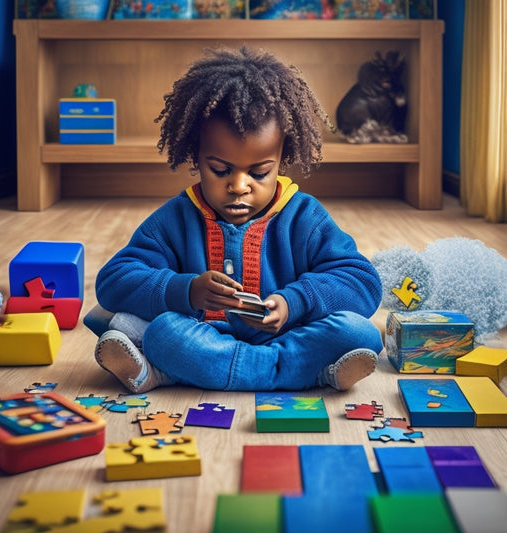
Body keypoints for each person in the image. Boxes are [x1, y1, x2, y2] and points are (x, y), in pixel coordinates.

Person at [93, 46, 383, 393]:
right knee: (157, 330)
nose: (239, 186)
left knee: (359, 333)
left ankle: (167, 373)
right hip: (201, 337)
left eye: (260, 172)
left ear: (282, 159)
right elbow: (113, 281)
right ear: (196, 157)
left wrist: (295, 302)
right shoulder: (176, 217)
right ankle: (311, 374)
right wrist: (185, 290)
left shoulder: (304, 216)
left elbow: (362, 282)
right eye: (220, 170)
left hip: (290, 334)